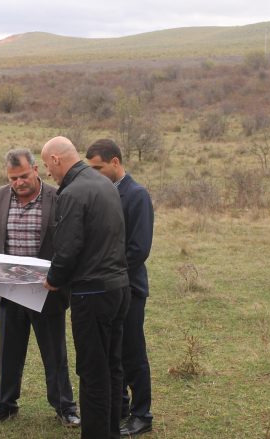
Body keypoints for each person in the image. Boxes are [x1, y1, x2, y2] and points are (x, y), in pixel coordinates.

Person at [0, 149, 80, 427]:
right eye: (13, 178)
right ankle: (5, 405)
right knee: (8, 352)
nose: (19, 182)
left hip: (47, 291)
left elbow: (67, 243)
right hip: (10, 291)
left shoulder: (58, 197)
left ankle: (65, 407)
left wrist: (59, 278)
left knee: (54, 352)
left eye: (24, 175)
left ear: (36, 169)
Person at [40, 136, 130, 439]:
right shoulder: (105, 183)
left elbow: (66, 249)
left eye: (46, 166)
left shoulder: (73, 192)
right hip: (119, 287)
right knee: (112, 366)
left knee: (92, 372)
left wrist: (53, 279)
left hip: (91, 293)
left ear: (56, 159)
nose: (48, 174)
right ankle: (111, 430)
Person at [86, 139, 155, 437]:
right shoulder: (100, 194)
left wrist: (107, 272)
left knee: (132, 351)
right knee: (112, 352)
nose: (95, 174)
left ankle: (142, 413)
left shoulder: (136, 195)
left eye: (98, 168)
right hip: (107, 289)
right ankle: (121, 406)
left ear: (115, 162)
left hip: (129, 288)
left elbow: (139, 249)